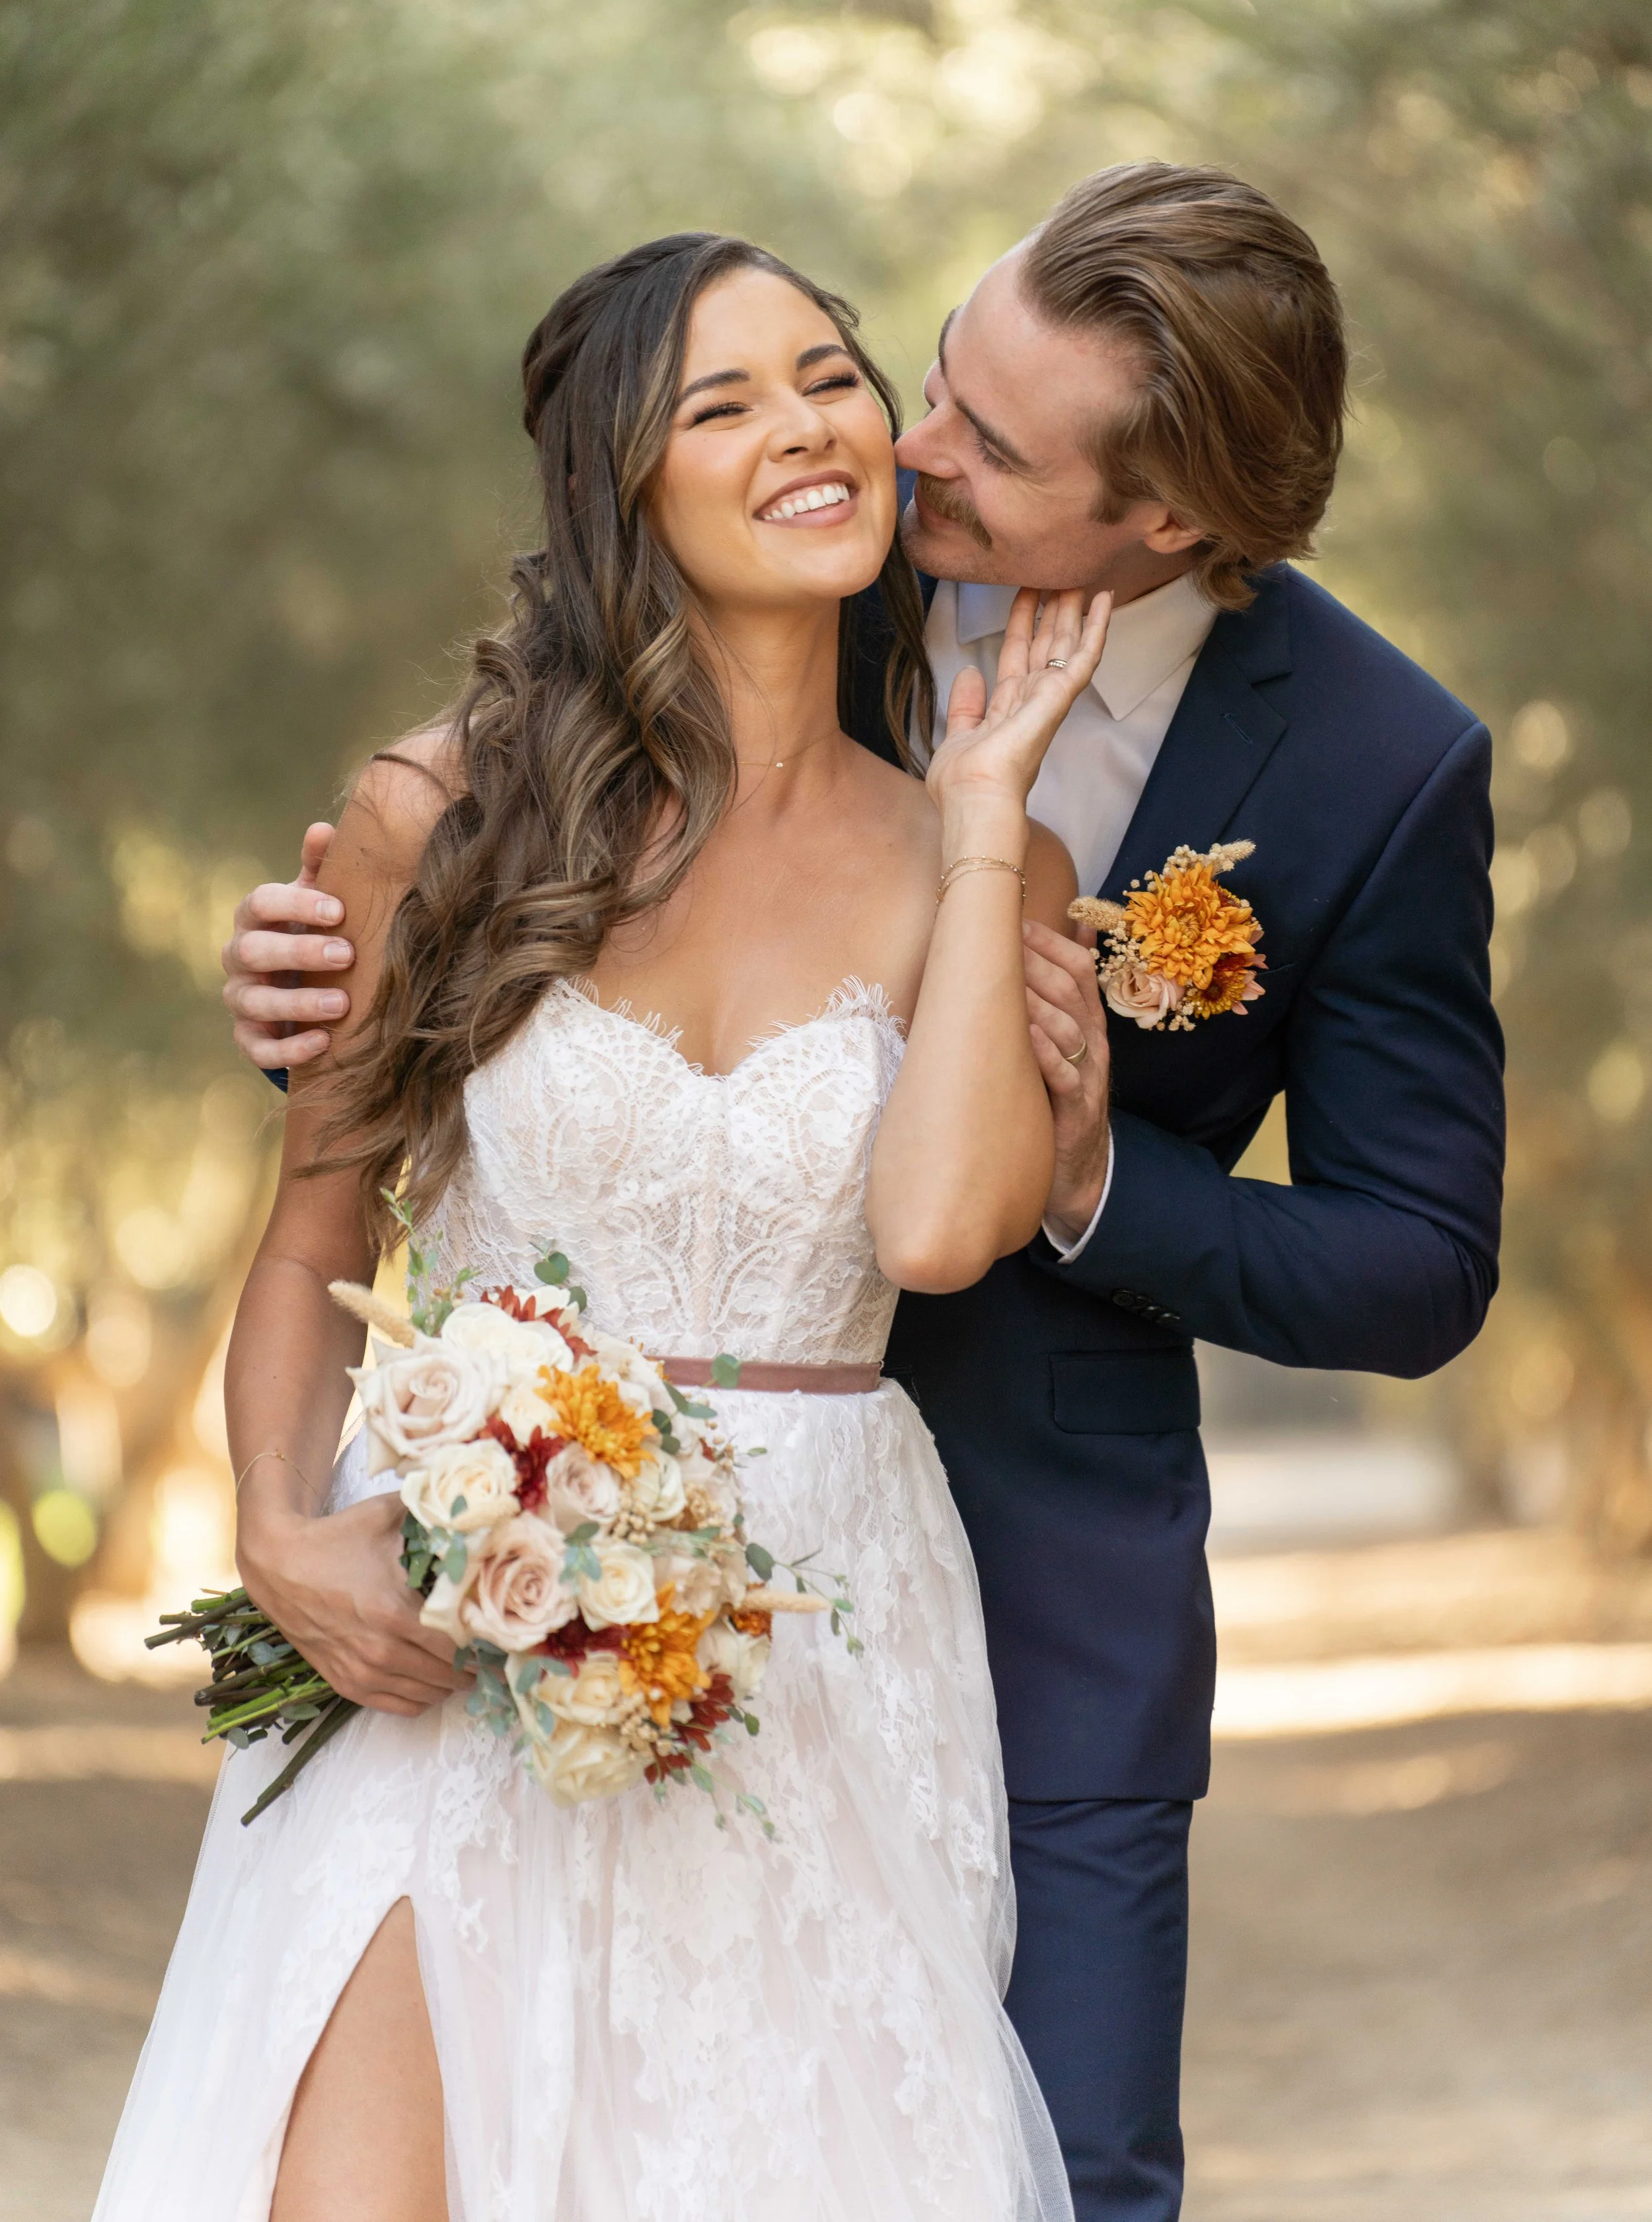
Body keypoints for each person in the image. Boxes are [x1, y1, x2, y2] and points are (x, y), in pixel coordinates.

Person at [219, 164, 1507, 2221]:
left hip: (1010, 1565)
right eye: (916, 371)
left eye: (983, 443)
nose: (904, 443)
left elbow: (1417, 1258)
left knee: (1041, 2181)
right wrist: (306, 986)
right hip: (535, 1526)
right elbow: (475, 944)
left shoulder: (1374, 762)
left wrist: (1086, 1172)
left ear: (1163, 516)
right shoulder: (816, 529)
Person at [97, 232, 1109, 2221]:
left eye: (824, 373)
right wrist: (280, 1524)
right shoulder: (436, 810)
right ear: (616, 485)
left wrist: (989, 811)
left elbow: (931, 1232)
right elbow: (314, 1232)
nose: (803, 425)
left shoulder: (977, 851)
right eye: (717, 402)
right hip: (453, 1598)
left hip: (810, 1622)